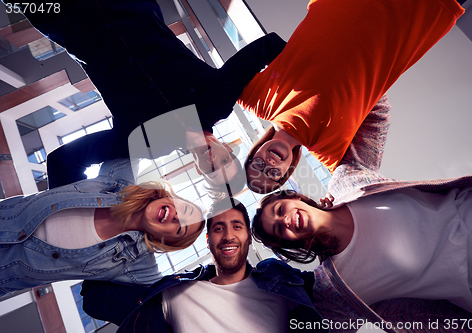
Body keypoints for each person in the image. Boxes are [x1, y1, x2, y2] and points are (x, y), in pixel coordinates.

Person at [251, 96, 472, 322]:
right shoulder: (335, 288)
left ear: (297, 199)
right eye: (278, 230)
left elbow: (375, 107)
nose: (284, 221)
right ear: (290, 244)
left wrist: (288, 134)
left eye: (280, 209)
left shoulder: (346, 182)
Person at [18, 0, 286, 195]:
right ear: (228, 148)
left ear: (199, 169)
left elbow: (64, 161)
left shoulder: (144, 145)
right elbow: (269, 46)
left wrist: (76, 219)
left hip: (62, 17)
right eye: (225, 161)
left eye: (213, 171)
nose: (215, 161)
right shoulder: (220, 98)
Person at [237, 0, 466, 193]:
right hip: (415, 14)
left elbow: (208, 83)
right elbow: (363, 181)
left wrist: (204, 127)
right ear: (288, 171)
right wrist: (337, 199)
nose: (268, 163)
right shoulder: (331, 151)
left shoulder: (254, 98)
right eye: (273, 173)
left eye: (257, 164)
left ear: (254, 151)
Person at [80, 199, 327, 333]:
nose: (229, 236)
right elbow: (95, 299)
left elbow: (333, 287)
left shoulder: (279, 281)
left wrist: (327, 223)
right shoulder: (176, 293)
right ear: (208, 241)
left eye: (237, 227)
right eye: (218, 228)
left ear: (248, 238)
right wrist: (143, 233)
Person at [0, 157, 205, 298]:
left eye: (180, 229)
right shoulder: (118, 180)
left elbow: (170, 298)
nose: (177, 217)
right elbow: (135, 124)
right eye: (184, 209)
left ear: (166, 240)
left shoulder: (138, 265)